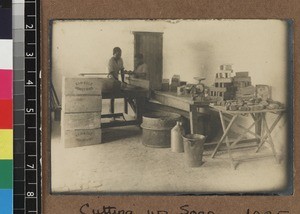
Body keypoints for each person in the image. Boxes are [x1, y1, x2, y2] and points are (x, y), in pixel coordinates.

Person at [107, 47, 125, 118]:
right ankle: (111, 113)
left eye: (120, 54)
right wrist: (117, 81)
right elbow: (111, 73)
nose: (119, 55)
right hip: (110, 79)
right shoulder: (111, 61)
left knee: (115, 95)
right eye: (118, 54)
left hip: (116, 78)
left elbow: (122, 70)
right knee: (112, 97)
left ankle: (113, 114)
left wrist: (123, 81)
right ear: (114, 53)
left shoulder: (120, 59)